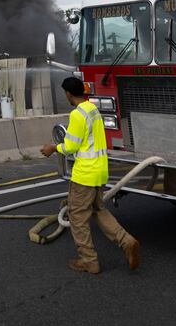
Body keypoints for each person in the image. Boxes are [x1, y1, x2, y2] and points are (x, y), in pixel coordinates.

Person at [40, 76, 141, 275]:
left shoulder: (77, 115)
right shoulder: (93, 110)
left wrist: (52, 147)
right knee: (98, 210)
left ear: (68, 94)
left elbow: (71, 146)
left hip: (84, 175)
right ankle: (127, 241)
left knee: (77, 217)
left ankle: (89, 260)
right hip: (99, 171)